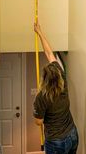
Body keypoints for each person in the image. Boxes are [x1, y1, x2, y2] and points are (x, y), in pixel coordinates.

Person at [33, 22, 79, 154]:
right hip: (72, 134)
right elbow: (49, 54)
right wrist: (40, 32)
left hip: (56, 142)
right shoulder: (62, 78)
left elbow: (38, 121)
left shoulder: (41, 97)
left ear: (45, 79)